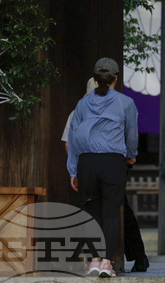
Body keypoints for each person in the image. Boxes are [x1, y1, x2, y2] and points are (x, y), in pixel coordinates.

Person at [62, 78, 149, 273]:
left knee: (92, 214)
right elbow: (131, 135)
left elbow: (70, 142)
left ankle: (94, 260)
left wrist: (75, 169)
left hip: (88, 165)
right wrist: (130, 156)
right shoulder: (120, 105)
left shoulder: (79, 109)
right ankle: (108, 262)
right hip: (112, 164)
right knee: (113, 214)